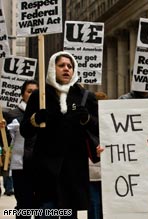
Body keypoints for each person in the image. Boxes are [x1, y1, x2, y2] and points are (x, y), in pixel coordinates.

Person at [20, 51, 99, 219]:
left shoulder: (85, 96)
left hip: (74, 173)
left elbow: (99, 129)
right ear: (52, 68)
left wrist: (86, 118)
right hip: (47, 172)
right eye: (61, 65)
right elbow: (25, 130)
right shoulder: (39, 96)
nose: (66, 69)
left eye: (70, 66)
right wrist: (35, 120)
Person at [4, 80, 39, 217]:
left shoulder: (45, 113)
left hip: (41, 165)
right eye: (29, 91)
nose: (32, 95)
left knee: (39, 206)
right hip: (21, 166)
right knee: (24, 205)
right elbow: (6, 142)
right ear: (22, 94)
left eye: (35, 92)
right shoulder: (12, 114)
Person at [87, 91, 107, 219]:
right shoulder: (87, 123)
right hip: (93, 171)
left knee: (97, 205)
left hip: (103, 172)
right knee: (95, 204)